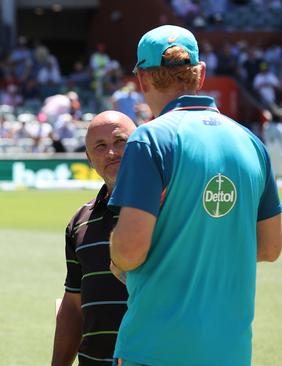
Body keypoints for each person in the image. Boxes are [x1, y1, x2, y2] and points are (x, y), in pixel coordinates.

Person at [108, 25, 281, 366]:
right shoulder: (251, 142)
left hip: (153, 350)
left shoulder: (150, 140)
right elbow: (271, 247)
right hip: (230, 352)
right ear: (200, 74)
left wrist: (117, 258)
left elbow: (129, 251)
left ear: (142, 80)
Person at [51, 111, 135, 366]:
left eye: (120, 142)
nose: (111, 152)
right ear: (89, 159)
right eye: (101, 146)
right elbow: (73, 305)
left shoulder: (167, 208)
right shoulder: (80, 221)